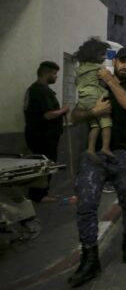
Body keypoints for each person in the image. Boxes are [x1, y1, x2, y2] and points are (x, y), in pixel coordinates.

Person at [68, 46, 126, 287]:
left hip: (125, 155)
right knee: (86, 204)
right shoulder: (96, 82)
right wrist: (95, 110)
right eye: (122, 61)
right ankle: (90, 259)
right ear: (115, 62)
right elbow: (75, 115)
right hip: (96, 156)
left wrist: (111, 81)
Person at [23, 61, 69, 203]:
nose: (56, 77)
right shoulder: (41, 91)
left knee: (42, 164)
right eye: (54, 74)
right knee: (44, 165)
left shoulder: (34, 89)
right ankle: (39, 195)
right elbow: (48, 115)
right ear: (47, 73)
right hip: (43, 136)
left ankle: (39, 193)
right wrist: (64, 110)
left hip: (39, 134)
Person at [74, 38, 114, 163]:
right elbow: (108, 78)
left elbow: (77, 82)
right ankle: (105, 147)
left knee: (95, 126)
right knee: (106, 122)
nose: (104, 57)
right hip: (94, 97)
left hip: (83, 99)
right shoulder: (99, 67)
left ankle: (90, 149)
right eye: (102, 54)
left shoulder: (80, 68)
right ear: (94, 55)